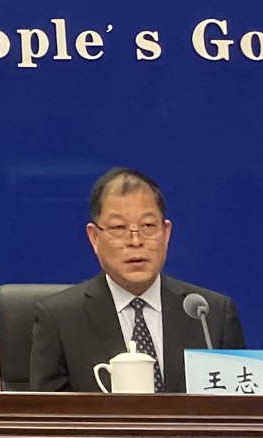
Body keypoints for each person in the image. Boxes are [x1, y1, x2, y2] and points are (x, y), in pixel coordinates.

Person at [27, 167, 244, 393]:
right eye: (119, 228)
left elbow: (240, 408)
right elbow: (49, 412)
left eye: (148, 226)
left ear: (166, 232)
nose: (135, 241)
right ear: (94, 237)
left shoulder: (211, 316)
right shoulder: (60, 320)